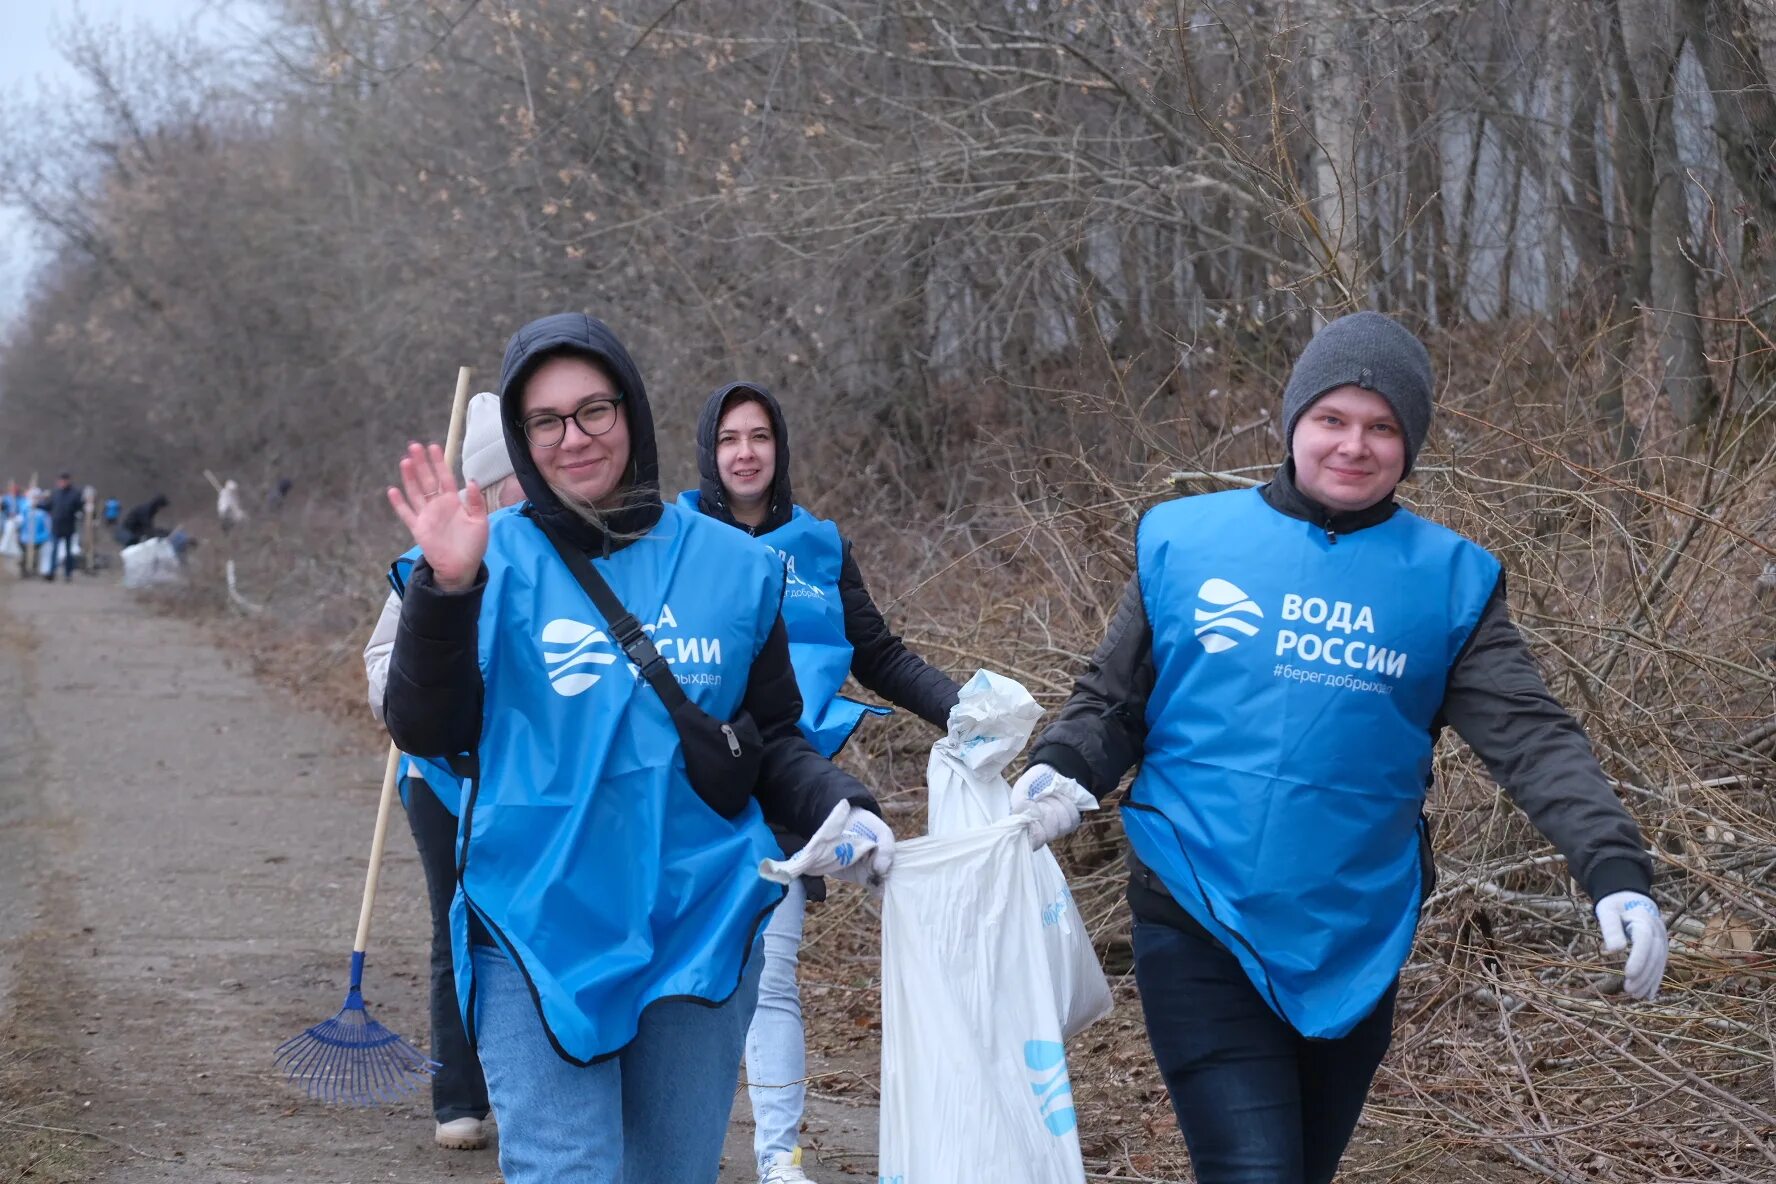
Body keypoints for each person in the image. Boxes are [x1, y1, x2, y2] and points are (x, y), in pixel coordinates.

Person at [1013, 312, 1669, 1184]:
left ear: (1410, 444)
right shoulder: (1186, 540)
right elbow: (1115, 702)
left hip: (1354, 931)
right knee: (1256, 1170)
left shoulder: (1450, 582)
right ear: (1292, 423)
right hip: (1197, 907)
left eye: (1382, 426)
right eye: (1332, 419)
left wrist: (1614, 869)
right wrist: (1063, 766)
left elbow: (1534, 740)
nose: (1353, 445)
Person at [379, 312, 895, 1184]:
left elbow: (770, 736)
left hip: (695, 924)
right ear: (520, 437)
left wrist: (841, 806)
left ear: (634, 412)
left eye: (594, 411)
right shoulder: (485, 558)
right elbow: (427, 731)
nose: (573, 438)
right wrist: (447, 589)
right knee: (567, 1171)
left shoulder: (734, 566)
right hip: (533, 928)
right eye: (546, 420)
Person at [680, 383, 961, 1184]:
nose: (745, 452)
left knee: (773, 976)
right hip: (690, 790)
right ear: (708, 449)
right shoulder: (676, 539)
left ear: (780, 448)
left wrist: (960, 707)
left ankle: (780, 1158)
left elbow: (879, 653)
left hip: (793, 787)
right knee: (688, 980)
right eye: (729, 437)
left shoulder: (818, 547)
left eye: (759, 436)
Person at [362, 392, 514, 1151]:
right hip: (439, 784)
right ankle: (459, 1096)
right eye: (501, 481)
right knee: (453, 925)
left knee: (517, 928)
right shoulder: (440, 555)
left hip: (524, 784)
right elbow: (381, 666)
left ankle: (525, 1086)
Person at [47, 473, 83, 581]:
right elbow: (48, 506)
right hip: (56, 526)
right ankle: (51, 572)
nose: (62, 483)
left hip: (68, 526)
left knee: (68, 551)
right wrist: (36, 504)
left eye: (64, 481)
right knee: (54, 550)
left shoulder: (75, 494)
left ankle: (68, 573)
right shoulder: (55, 493)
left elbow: (80, 508)